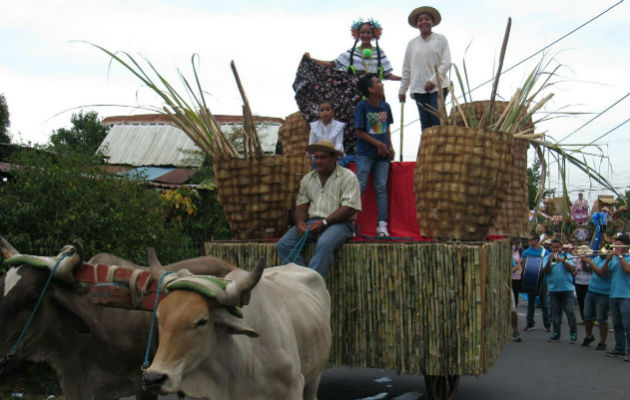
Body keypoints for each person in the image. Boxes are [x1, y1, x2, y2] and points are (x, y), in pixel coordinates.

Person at [298, 18, 399, 156]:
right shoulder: (352, 53)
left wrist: (404, 79)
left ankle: (381, 150)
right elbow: (333, 64)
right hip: (354, 92)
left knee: (379, 123)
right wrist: (312, 60)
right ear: (357, 34)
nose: (365, 35)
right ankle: (353, 153)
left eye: (368, 32)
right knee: (354, 121)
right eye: (362, 32)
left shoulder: (379, 54)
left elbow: (387, 74)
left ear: (374, 34)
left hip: (375, 93)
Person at [276, 140, 361, 276]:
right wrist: (300, 223)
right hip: (312, 222)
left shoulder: (348, 177)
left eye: (323, 157)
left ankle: (311, 284)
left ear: (334, 158)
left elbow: (349, 208)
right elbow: (301, 205)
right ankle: (302, 280)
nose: (318, 161)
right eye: (316, 157)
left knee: (324, 243)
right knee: (284, 244)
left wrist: (324, 222)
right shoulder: (308, 178)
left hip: (340, 224)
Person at [399, 6, 451, 131]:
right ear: (417, 24)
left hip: (438, 87)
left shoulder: (440, 39)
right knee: (425, 123)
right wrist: (402, 90)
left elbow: (446, 63)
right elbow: (407, 68)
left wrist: (433, 81)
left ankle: (440, 147)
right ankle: (428, 148)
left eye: (427, 19)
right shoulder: (412, 44)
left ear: (432, 22)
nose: (423, 22)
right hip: (418, 87)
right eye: (420, 20)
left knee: (437, 119)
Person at [354, 73, 394, 237]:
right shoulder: (361, 107)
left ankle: (382, 226)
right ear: (370, 89)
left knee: (381, 188)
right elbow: (359, 131)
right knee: (359, 187)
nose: (382, 84)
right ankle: (350, 222)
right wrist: (377, 144)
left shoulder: (386, 106)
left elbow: (387, 128)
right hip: (366, 153)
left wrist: (389, 146)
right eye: (378, 82)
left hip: (383, 155)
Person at [599, 234, 630, 360]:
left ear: (625, 246)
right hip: (614, 295)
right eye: (614, 246)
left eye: (618, 246)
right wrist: (607, 260)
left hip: (627, 296)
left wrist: (620, 256)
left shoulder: (626, 257)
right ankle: (619, 348)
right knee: (617, 324)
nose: (615, 248)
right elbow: (603, 273)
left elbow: (627, 270)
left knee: (628, 325)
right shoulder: (614, 259)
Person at [543, 239, 578, 343]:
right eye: (553, 247)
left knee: (570, 311)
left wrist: (563, 261)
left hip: (567, 289)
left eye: (557, 247)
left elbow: (572, 269)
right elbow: (545, 271)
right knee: (555, 313)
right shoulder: (547, 257)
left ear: (561, 248)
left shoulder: (567, 256)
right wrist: (549, 260)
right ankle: (556, 333)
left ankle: (573, 334)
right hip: (553, 289)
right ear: (550, 248)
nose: (555, 249)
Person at [581, 247, 612, 351]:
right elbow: (587, 270)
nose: (602, 251)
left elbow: (601, 273)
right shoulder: (598, 258)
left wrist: (590, 261)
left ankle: (602, 342)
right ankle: (589, 336)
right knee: (587, 316)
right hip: (592, 290)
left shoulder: (611, 261)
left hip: (604, 293)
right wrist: (584, 261)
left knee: (601, 319)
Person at [518, 234, 551, 332]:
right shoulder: (527, 251)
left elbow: (550, 263)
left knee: (544, 304)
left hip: (542, 280)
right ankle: (530, 323)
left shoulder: (545, 252)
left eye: (531, 240)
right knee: (531, 304)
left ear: (537, 240)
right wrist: (521, 270)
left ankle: (547, 324)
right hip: (530, 279)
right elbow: (520, 262)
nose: (529, 242)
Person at [308, 100, 349, 166]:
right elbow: (312, 144)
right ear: (318, 113)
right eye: (322, 110)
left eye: (327, 109)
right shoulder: (314, 127)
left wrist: (332, 154)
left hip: (334, 154)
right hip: (319, 154)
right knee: (315, 161)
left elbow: (339, 143)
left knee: (340, 165)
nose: (325, 112)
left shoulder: (339, 126)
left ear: (332, 112)